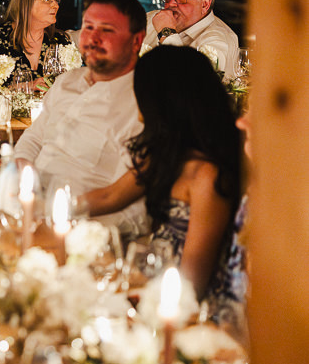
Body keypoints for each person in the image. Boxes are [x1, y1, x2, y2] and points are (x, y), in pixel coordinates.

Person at [81, 46, 243, 320]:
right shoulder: (167, 153)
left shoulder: (206, 175)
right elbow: (110, 197)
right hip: (152, 281)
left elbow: (193, 282)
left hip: (183, 308)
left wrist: (130, 283)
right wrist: (47, 209)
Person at [14, 0, 149, 237]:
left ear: (136, 40)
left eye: (107, 30)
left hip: (86, 229)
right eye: (88, 27)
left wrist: (53, 212)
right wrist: (19, 172)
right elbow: (34, 139)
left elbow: (121, 198)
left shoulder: (143, 104)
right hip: (29, 210)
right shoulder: (67, 80)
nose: (93, 38)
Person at [141, 0, 239, 79]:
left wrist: (166, 33)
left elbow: (194, 85)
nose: (171, 4)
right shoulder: (150, 19)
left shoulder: (218, 39)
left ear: (205, 3)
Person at [0, 0, 70, 89]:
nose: (56, 5)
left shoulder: (60, 41)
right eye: (47, 0)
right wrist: (28, 86)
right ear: (26, 3)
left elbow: (72, 87)